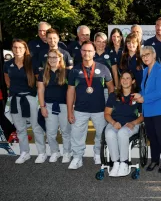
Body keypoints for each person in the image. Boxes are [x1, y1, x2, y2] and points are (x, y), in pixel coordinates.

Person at [67, 41, 114, 169]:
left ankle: (98, 153)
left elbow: (111, 88)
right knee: (77, 134)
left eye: (89, 51)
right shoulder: (75, 70)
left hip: (99, 109)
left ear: (94, 52)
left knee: (100, 133)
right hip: (80, 109)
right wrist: (70, 111)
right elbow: (70, 91)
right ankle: (77, 157)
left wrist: (110, 106)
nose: (87, 53)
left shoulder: (103, 68)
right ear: (81, 52)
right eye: (84, 50)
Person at [4, 39, 46, 164]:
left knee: (36, 127)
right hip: (15, 98)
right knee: (20, 128)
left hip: (31, 98)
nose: (17, 50)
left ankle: (42, 152)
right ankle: (24, 152)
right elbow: (7, 81)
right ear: (12, 49)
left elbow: (40, 82)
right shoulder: (8, 64)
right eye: (15, 47)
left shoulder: (33, 63)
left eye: (20, 48)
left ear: (25, 49)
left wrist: (39, 99)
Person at [133, 46, 161, 173]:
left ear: (154, 55)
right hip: (148, 110)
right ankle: (155, 160)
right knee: (152, 137)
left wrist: (144, 98)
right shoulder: (145, 71)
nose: (145, 57)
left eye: (147, 54)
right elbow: (145, 90)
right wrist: (139, 94)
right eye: (143, 56)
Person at [104, 71, 144, 177]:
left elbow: (142, 116)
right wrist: (113, 122)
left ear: (133, 81)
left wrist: (133, 122)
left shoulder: (137, 96)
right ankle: (116, 163)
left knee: (122, 133)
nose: (125, 80)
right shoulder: (113, 95)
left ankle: (124, 163)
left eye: (128, 78)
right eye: (123, 78)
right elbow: (107, 114)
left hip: (132, 124)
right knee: (109, 134)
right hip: (115, 123)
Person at [37, 49, 72, 163]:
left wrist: (71, 107)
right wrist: (42, 106)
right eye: (50, 57)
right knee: (51, 132)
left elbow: (72, 91)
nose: (52, 59)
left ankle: (67, 152)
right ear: (47, 59)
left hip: (64, 106)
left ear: (60, 58)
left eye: (54, 57)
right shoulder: (43, 73)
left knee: (65, 131)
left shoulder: (66, 72)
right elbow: (41, 90)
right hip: (49, 106)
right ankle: (55, 151)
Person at [93, 32, 119, 100]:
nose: (101, 44)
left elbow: (115, 72)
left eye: (104, 42)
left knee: (108, 109)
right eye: (99, 41)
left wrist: (117, 88)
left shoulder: (111, 54)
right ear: (94, 42)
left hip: (108, 89)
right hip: (92, 88)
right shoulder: (90, 54)